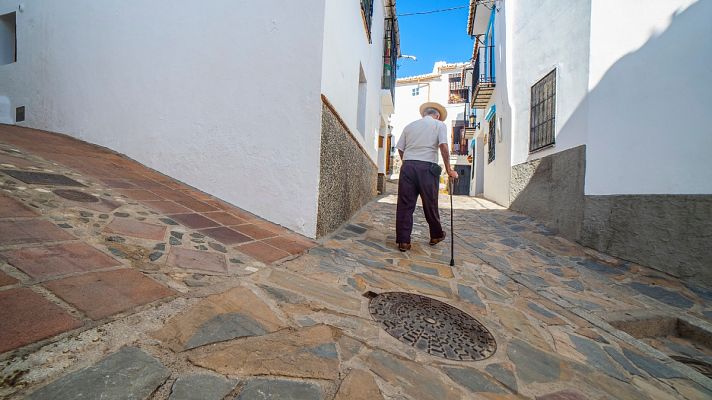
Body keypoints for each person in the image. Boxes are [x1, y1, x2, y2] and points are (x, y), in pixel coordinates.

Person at [395, 102, 458, 252]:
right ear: (437, 115)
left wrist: (408, 163)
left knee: (405, 205)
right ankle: (436, 235)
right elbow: (443, 146)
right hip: (427, 168)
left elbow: (400, 148)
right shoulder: (439, 125)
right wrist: (449, 169)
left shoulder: (409, 126)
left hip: (408, 167)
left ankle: (403, 241)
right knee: (430, 203)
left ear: (424, 114)